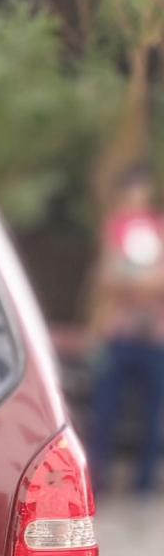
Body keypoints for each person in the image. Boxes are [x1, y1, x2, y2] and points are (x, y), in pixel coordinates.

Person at [89, 165, 164, 495]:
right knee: (105, 409)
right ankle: (99, 479)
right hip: (118, 335)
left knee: (152, 413)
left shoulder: (158, 228)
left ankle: (144, 484)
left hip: (154, 336)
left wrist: (129, 280)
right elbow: (106, 279)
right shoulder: (113, 228)